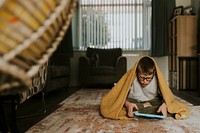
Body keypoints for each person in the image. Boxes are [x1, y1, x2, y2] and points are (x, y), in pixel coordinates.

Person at [100, 56, 189, 120]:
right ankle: (143, 108)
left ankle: (141, 109)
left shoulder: (158, 78)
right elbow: (119, 95)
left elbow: (168, 97)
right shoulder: (131, 76)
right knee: (115, 108)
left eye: (148, 79)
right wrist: (127, 105)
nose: (144, 81)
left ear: (153, 74)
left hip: (153, 101)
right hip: (133, 101)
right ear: (137, 73)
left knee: (169, 106)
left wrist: (164, 105)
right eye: (141, 78)